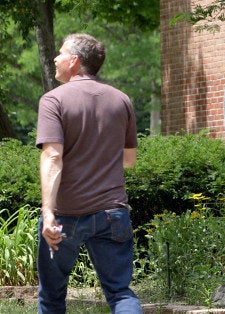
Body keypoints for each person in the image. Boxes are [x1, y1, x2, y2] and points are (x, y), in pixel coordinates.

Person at [36, 33, 142, 313]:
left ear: (74, 61)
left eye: (60, 53)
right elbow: (129, 160)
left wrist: (48, 214)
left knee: (51, 297)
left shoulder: (53, 100)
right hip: (112, 213)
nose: (55, 58)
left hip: (65, 216)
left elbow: (53, 155)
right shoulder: (121, 100)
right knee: (120, 293)